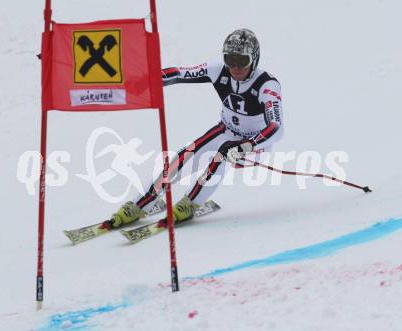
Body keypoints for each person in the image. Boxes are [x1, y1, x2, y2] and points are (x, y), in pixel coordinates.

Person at [109, 28, 284, 228]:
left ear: (254, 60)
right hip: (225, 130)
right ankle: (140, 204)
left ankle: (189, 204)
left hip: (256, 144)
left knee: (223, 155)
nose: (235, 67)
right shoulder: (219, 69)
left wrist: (246, 146)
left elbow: (276, 128)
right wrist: (149, 80)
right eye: (229, 59)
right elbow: (181, 73)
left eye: (242, 61)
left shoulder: (267, 85)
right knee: (183, 157)